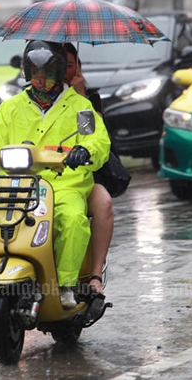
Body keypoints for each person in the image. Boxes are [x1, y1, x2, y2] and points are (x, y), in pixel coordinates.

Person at [0, 41, 111, 309]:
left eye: (48, 73)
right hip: (15, 185)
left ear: (59, 74)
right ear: (27, 73)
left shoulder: (81, 106)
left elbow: (99, 142)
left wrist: (83, 151)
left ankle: (65, 285)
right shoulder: (11, 107)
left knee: (74, 220)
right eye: (36, 73)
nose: (41, 80)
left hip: (65, 186)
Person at [63, 42, 113, 295]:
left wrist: (81, 98)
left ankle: (93, 274)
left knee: (103, 203)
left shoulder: (86, 100)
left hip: (80, 176)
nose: (62, 71)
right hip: (37, 179)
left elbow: (98, 136)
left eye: (69, 65)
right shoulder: (25, 101)